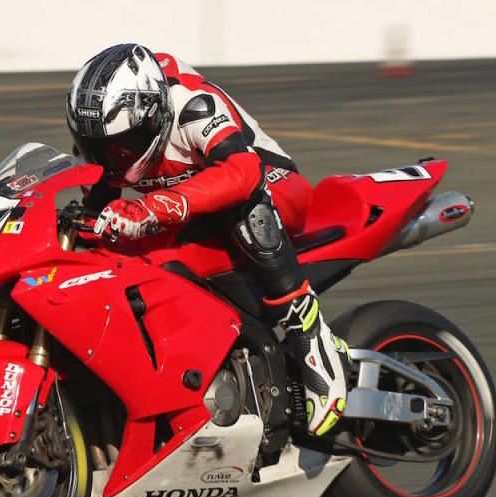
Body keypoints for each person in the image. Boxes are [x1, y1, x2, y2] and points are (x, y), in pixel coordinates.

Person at [66, 43, 348, 437]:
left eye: (121, 147)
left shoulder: (191, 104)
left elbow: (243, 171)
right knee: (114, 251)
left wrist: (157, 208)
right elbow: (94, 203)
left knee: (239, 200)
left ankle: (308, 330)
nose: (112, 159)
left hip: (273, 186)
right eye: (99, 149)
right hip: (199, 212)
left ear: (153, 118)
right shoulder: (108, 134)